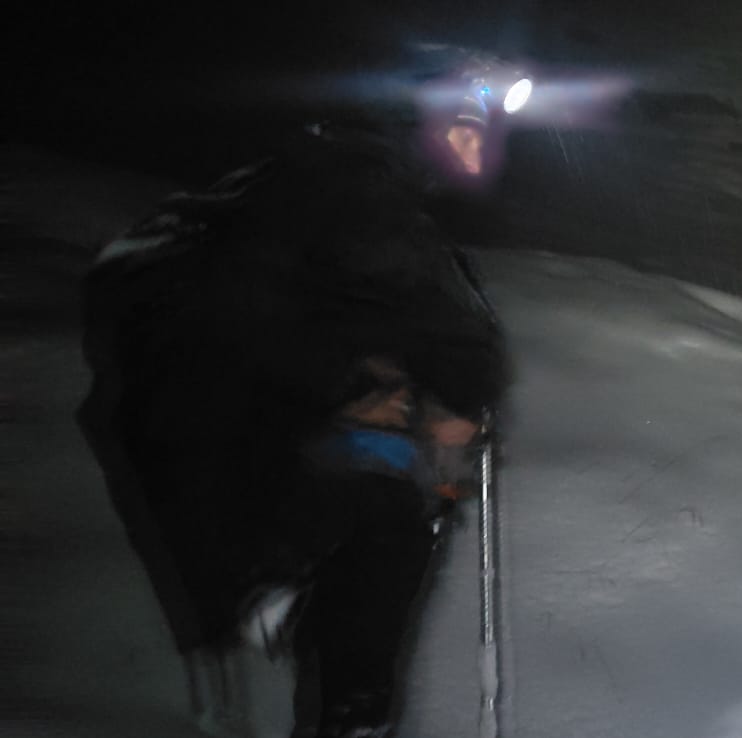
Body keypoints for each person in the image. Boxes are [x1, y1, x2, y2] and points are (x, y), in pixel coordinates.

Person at [76, 47, 520, 737]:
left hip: (229, 457)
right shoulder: (357, 186)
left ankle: (294, 618)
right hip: (275, 462)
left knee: (381, 507)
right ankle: (330, 674)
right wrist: (450, 391)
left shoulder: (316, 180)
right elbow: (448, 328)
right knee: (385, 523)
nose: (479, 141)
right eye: (465, 122)